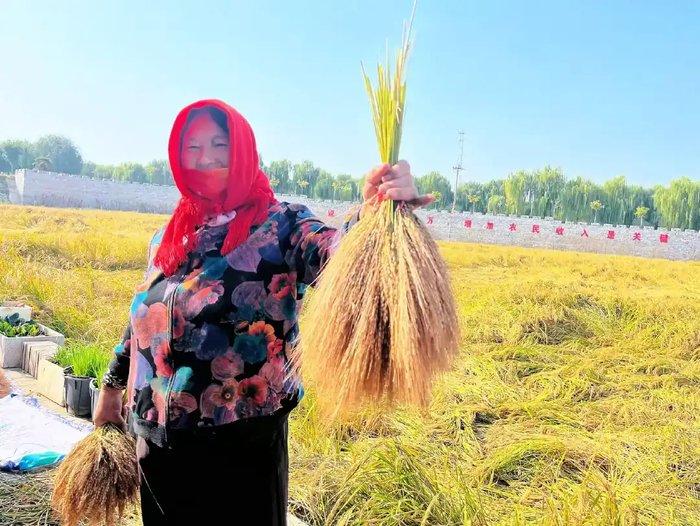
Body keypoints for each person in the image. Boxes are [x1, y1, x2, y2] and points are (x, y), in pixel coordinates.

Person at [93, 98, 434, 525]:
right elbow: (142, 315)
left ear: (243, 152)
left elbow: (338, 255)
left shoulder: (283, 225)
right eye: (192, 148)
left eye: (220, 144)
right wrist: (111, 384)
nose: (206, 158)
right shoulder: (171, 235)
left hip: (242, 445)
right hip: (157, 442)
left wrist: (377, 212)